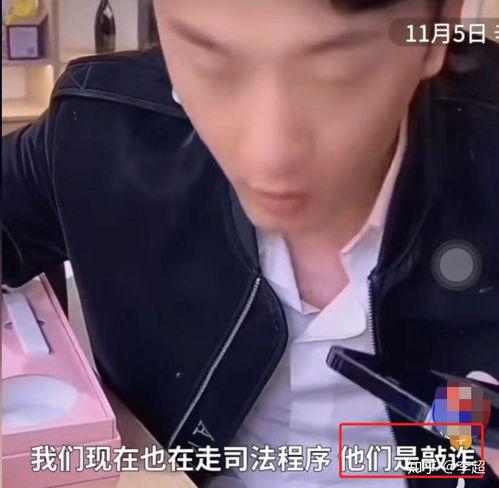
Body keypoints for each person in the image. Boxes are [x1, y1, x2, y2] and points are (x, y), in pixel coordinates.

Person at [2, 0, 498, 486]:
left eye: (335, 70)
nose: (269, 156)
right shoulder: (102, 128)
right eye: (209, 61)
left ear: (440, 26)